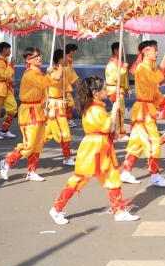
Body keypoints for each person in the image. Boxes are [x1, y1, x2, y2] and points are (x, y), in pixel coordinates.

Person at [49, 75, 140, 224]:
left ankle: (119, 212)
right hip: (93, 149)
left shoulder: (97, 107)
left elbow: (107, 127)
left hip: (103, 147)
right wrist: (115, 111)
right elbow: (105, 127)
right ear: (96, 93)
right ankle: (56, 209)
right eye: (104, 89)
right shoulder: (94, 109)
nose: (106, 91)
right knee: (79, 180)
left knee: (113, 178)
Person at [0, 47, 60, 181]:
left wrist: (60, 66)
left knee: (38, 143)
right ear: (28, 59)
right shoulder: (31, 74)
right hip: (29, 110)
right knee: (29, 143)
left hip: (38, 108)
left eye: (39, 55)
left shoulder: (38, 73)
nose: (39, 58)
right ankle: (7, 161)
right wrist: (51, 73)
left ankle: (31, 172)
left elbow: (47, 87)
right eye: (35, 56)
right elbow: (45, 84)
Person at [120, 40, 165, 188]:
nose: (156, 52)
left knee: (136, 143)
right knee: (153, 141)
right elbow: (155, 79)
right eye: (154, 49)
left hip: (146, 107)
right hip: (144, 110)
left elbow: (154, 92)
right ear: (145, 52)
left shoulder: (149, 68)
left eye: (156, 49)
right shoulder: (142, 68)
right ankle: (155, 175)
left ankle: (125, 172)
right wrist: (163, 64)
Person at [44, 49, 75, 166]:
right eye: (65, 58)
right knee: (64, 132)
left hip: (60, 104)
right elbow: (55, 79)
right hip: (54, 106)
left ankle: (31, 146)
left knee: (46, 134)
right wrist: (61, 66)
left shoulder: (64, 72)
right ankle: (67, 157)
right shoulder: (53, 71)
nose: (67, 60)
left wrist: (65, 98)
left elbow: (65, 87)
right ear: (60, 59)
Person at [104, 42, 129, 141]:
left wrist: (127, 88)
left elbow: (123, 78)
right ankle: (119, 132)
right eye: (121, 50)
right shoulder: (112, 64)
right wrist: (123, 69)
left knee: (119, 111)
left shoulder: (119, 62)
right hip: (114, 89)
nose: (123, 52)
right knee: (119, 111)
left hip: (119, 88)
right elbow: (114, 77)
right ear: (116, 50)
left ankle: (113, 128)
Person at [64, 43, 78, 126]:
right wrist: (75, 81)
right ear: (72, 52)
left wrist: (76, 80)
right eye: (75, 51)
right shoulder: (65, 60)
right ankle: (68, 119)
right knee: (69, 102)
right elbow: (68, 73)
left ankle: (67, 119)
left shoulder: (69, 60)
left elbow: (72, 71)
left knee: (69, 102)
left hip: (67, 83)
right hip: (64, 84)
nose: (75, 53)